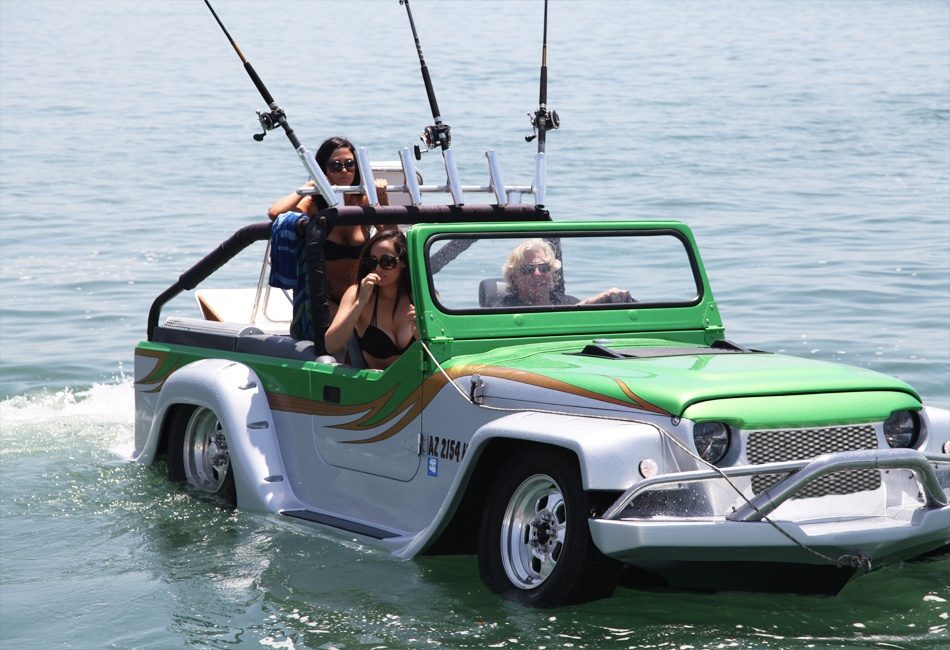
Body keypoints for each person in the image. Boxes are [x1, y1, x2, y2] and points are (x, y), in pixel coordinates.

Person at [268, 136, 391, 305]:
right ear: (323, 170)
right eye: (335, 166)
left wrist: (383, 199)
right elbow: (275, 213)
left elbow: (392, 237)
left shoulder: (363, 201)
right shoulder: (314, 204)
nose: (344, 171)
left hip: (362, 298)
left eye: (350, 164)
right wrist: (309, 186)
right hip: (326, 301)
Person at [325, 230, 416, 370]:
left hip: (417, 381)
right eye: (372, 262)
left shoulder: (418, 297)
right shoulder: (356, 293)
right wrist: (360, 303)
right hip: (375, 381)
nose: (378, 268)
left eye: (387, 261)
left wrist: (421, 334)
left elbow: (437, 354)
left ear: (403, 262)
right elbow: (331, 345)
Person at [494, 238, 632, 307]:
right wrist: (591, 302)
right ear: (514, 277)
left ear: (553, 273)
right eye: (528, 270)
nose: (537, 274)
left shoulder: (567, 302)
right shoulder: (503, 308)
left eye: (544, 268)